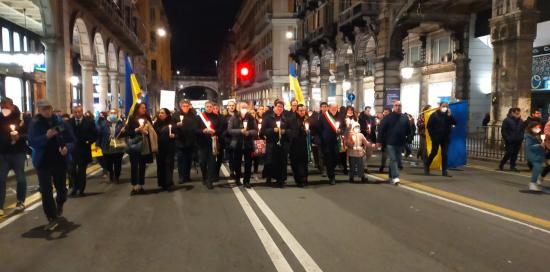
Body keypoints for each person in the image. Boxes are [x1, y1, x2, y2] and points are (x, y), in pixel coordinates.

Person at [28, 99, 76, 231]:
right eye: (44, 109)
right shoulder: (35, 124)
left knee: (61, 189)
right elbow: (32, 142)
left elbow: (72, 140)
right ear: (39, 110)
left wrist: (67, 148)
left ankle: (59, 203)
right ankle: (52, 217)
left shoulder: (60, 121)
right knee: (46, 191)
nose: (47, 111)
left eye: (49, 108)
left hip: (59, 160)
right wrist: (46, 137)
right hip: (43, 162)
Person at [0, 97, 28, 215]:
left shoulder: (20, 118)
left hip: (18, 152)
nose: (4, 109)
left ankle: (20, 201)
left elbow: (27, 134)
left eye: (6, 107)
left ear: (12, 106)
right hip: (3, 153)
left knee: (20, 178)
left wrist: (19, 137)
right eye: (2, 107)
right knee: (1, 179)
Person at [126, 103, 158, 195]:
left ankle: (140, 185)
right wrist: (137, 130)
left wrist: (146, 131)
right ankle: (134, 186)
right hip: (135, 145)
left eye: (145, 107)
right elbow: (128, 132)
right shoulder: (132, 118)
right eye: (142, 108)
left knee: (142, 166)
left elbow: (152, 130)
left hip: (145, 145)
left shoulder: (147, 118)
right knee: (134, 166)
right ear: (138, 108)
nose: (144, 109)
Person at [377, 101, 411, 185]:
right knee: (393, 159)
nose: (398, 107)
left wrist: (408, 138)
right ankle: (396, 177)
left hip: (400, 142)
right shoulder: (388, 117)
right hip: (390, 142)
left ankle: (390, 176)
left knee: (398, 160)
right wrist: (379, 141)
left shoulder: (404, 117)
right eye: (396, 105)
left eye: (399, 105)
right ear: (393, 106)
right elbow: (381, 129)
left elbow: (408, 130)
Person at [261, 101, 294, 187]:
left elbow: (291, 130)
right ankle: (269, 178)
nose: (279, 108)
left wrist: (284, 131)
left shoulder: (286, 118)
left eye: (281, 107)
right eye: (278, 106)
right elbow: (262, 131)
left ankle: (281, 180)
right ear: (274, 107)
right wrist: (272, 130)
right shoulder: (268, 118)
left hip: (283, 144)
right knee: (270, 161)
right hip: (271, 143)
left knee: (282, 162)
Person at [68, 106, 97, 196]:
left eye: (79, 112)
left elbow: (95, 134)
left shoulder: (89, 122)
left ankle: (81, 189)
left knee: (81, 171)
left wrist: (89, 141)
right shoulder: (69, 122)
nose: (77, 114)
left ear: (82, 112)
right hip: (72, 150)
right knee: (71, 170)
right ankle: (75, 187)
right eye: (75, 112)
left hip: (83, 150)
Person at [228, 102, 257, 188]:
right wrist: (240, 131)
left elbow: (255, 130)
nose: (244, 108)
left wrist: (249, 132)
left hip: (248, 144)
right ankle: (237, 179)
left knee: (248, 163)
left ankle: (246, 181)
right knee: (237, 162)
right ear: (238, 107)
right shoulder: (234, 117)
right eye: (242, 107)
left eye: (245, 107)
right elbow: (229, 130)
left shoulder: (251, 118)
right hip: (237, 143)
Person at [424, 102, 457, 177]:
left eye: (446, 106)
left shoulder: (448, 115)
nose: (445, 108)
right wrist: (432, 136)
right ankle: (427, 165)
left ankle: (444, 171)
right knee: (434, 152)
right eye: (443, 106)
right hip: (436, 138)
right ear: (439, 107)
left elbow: (455, 122)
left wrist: (450, 115)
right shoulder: (434, 115)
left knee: (444, 154)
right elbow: (429, 126)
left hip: (445, 138)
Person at [196, 101, 222, 189]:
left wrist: (215, 131)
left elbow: (220, 129)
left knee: (212, 162)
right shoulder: (199, 117)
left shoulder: (217, 117)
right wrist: (203, 131)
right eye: (207, 106)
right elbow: (195, 129)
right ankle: (204, 176)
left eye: (210, 106)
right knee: (202, 162)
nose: (209, 108)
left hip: (213, 142)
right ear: (205, 107)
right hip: (202, 143)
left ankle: (209, 180)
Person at [318, 103, 345, 185]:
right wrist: (321, 138)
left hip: (337, 141)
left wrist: (341, 130)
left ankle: (331, 169)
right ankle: (331, 177)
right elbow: (319, 128)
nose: (334, 109)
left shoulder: (340, 116)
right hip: (327, 142)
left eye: (335, 107)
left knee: (336, 158)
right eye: (332, 107)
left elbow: (344, 126)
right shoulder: (323, 116)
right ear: (329, 108)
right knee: (329, 159)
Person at [96, 109, 125, 184]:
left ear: (117, 114)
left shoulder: (121, 123)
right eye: (111, 113)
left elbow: (126, 134)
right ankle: (111, 173)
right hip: (107, 147)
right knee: (108, 163)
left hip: (118, 147)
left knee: (117, 163)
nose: (113, 114)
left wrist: (124, 131)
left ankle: (117, 176)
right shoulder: (104, 123)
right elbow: (99, 135)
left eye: (114, 113)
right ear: (109, 114)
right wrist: (98, 144)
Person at [173, 100, 198, 184]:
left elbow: (195, 126)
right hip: (180, 141)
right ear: (181, 106)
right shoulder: (175, 115)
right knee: (180, 160)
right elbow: (171, 127)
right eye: (184, 106)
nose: (186, 107)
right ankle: (181, 177)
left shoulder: (193, 115)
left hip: (190, 141)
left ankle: (187, 176)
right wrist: (177, 125)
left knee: (188, 160)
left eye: (187, 106)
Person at [154, 108, 176, 191]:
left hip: (169, 147)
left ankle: (168, 183)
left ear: (167, 115)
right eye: (159, 113)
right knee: (160, 165)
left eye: (162, 113)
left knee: (168, 165)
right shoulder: (156, 124)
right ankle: (162, 182)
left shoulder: (172, 123)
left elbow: (177, 133)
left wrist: (174, 136)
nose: (160, 114)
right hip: (159, 147)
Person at [290, 104, 309, 187]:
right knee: (296, 163)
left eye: (303, 110)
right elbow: (291, 131)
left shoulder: (306, 119)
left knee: (304, 161)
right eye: (300, 110)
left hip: (303, 143)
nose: (302, 112)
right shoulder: (292, 118)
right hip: (294, 144)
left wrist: (307, 131)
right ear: (297, 111)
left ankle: (304, 178)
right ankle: (299, 180)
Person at [524, 121, 545, 192]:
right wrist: (539, 145)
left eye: (538, 127)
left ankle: (535, 181)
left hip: (538, 155)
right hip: (533, 155)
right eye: (536, 127)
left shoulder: (536, 135)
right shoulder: (528, 136)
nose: (538, 129)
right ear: (531, 128)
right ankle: (532, 184)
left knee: (539, 169)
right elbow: (529, 146)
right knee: (537, 169)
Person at [310, 102, 328, 176]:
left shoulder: (330, 116)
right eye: (322, 106)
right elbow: (313, 126)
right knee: (320, 154)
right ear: (320, 108)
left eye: (325, 106)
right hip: (320, 138)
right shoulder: (317, 116)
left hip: (328, 138)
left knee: (328, 154)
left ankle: (328, 168)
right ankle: (323, 170)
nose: (324, 108)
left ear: (327, 108)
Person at [378, 108, 391, 173]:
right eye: (384, 112)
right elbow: (380, 131)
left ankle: (388, 168)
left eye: (386, 112)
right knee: (385, 155)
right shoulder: (383, 120)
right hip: (385, 140)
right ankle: (382, 167)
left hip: (390, 140)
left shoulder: (391, 120)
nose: (384, 113)